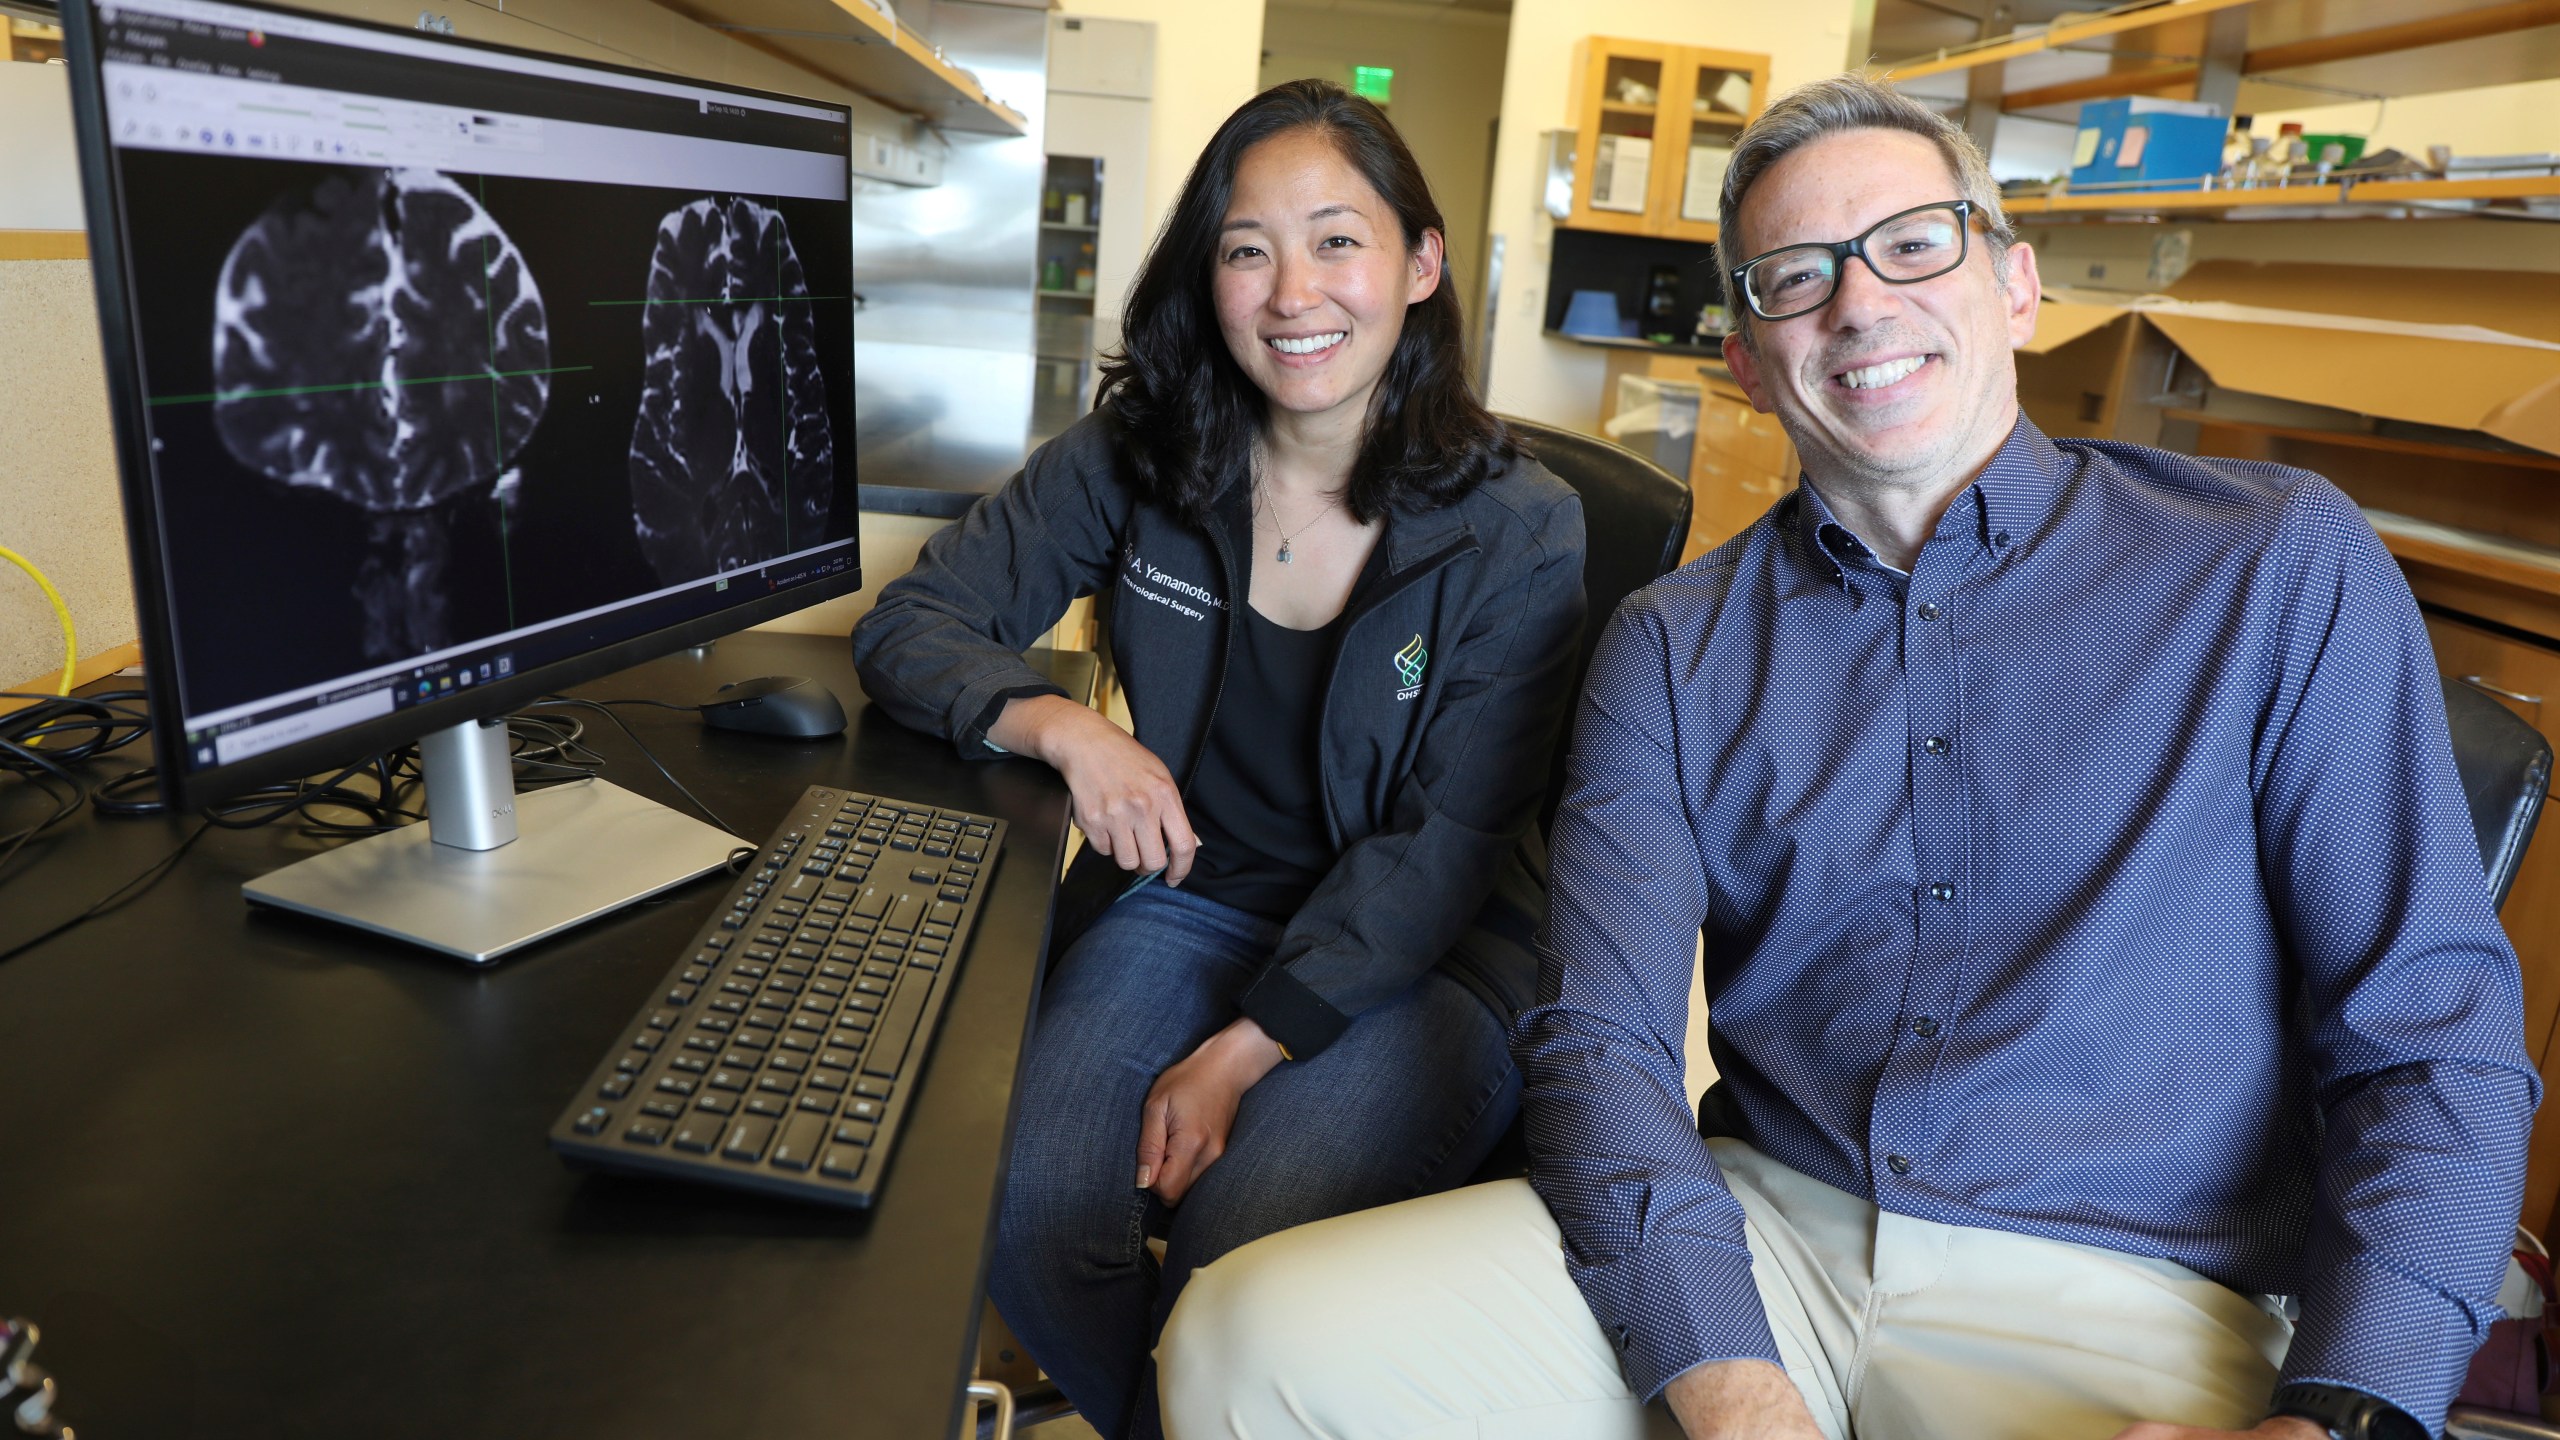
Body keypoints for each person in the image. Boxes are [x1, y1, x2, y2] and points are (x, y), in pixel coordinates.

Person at [1153, 72, 2536, 1440]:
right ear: (1747, 360)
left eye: (1912, 245)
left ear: (2015, 286)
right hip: (1764, 1234)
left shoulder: (2268, 561)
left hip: (2127, 1283)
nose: (1861, 303)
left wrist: (2345, 1417)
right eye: (1795, 278)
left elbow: (2429, 1033)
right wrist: (1731, 1387)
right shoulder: (1673, 645)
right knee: (1242, 1346)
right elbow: (1599, 1046)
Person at [850, 79, 1585, 1440]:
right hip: (1194, 900)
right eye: (1248, 248)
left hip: (1428, 957)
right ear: (1209, 273)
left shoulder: (1518, 526)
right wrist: (1065, 727)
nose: (1292, 291)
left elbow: (1450, 844)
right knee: (1024, 1199)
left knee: (1240, 1256)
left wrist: (1242, 1053)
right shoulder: (1142, 457)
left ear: (1420, 266)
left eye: (1337, 241)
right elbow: (914, 621)